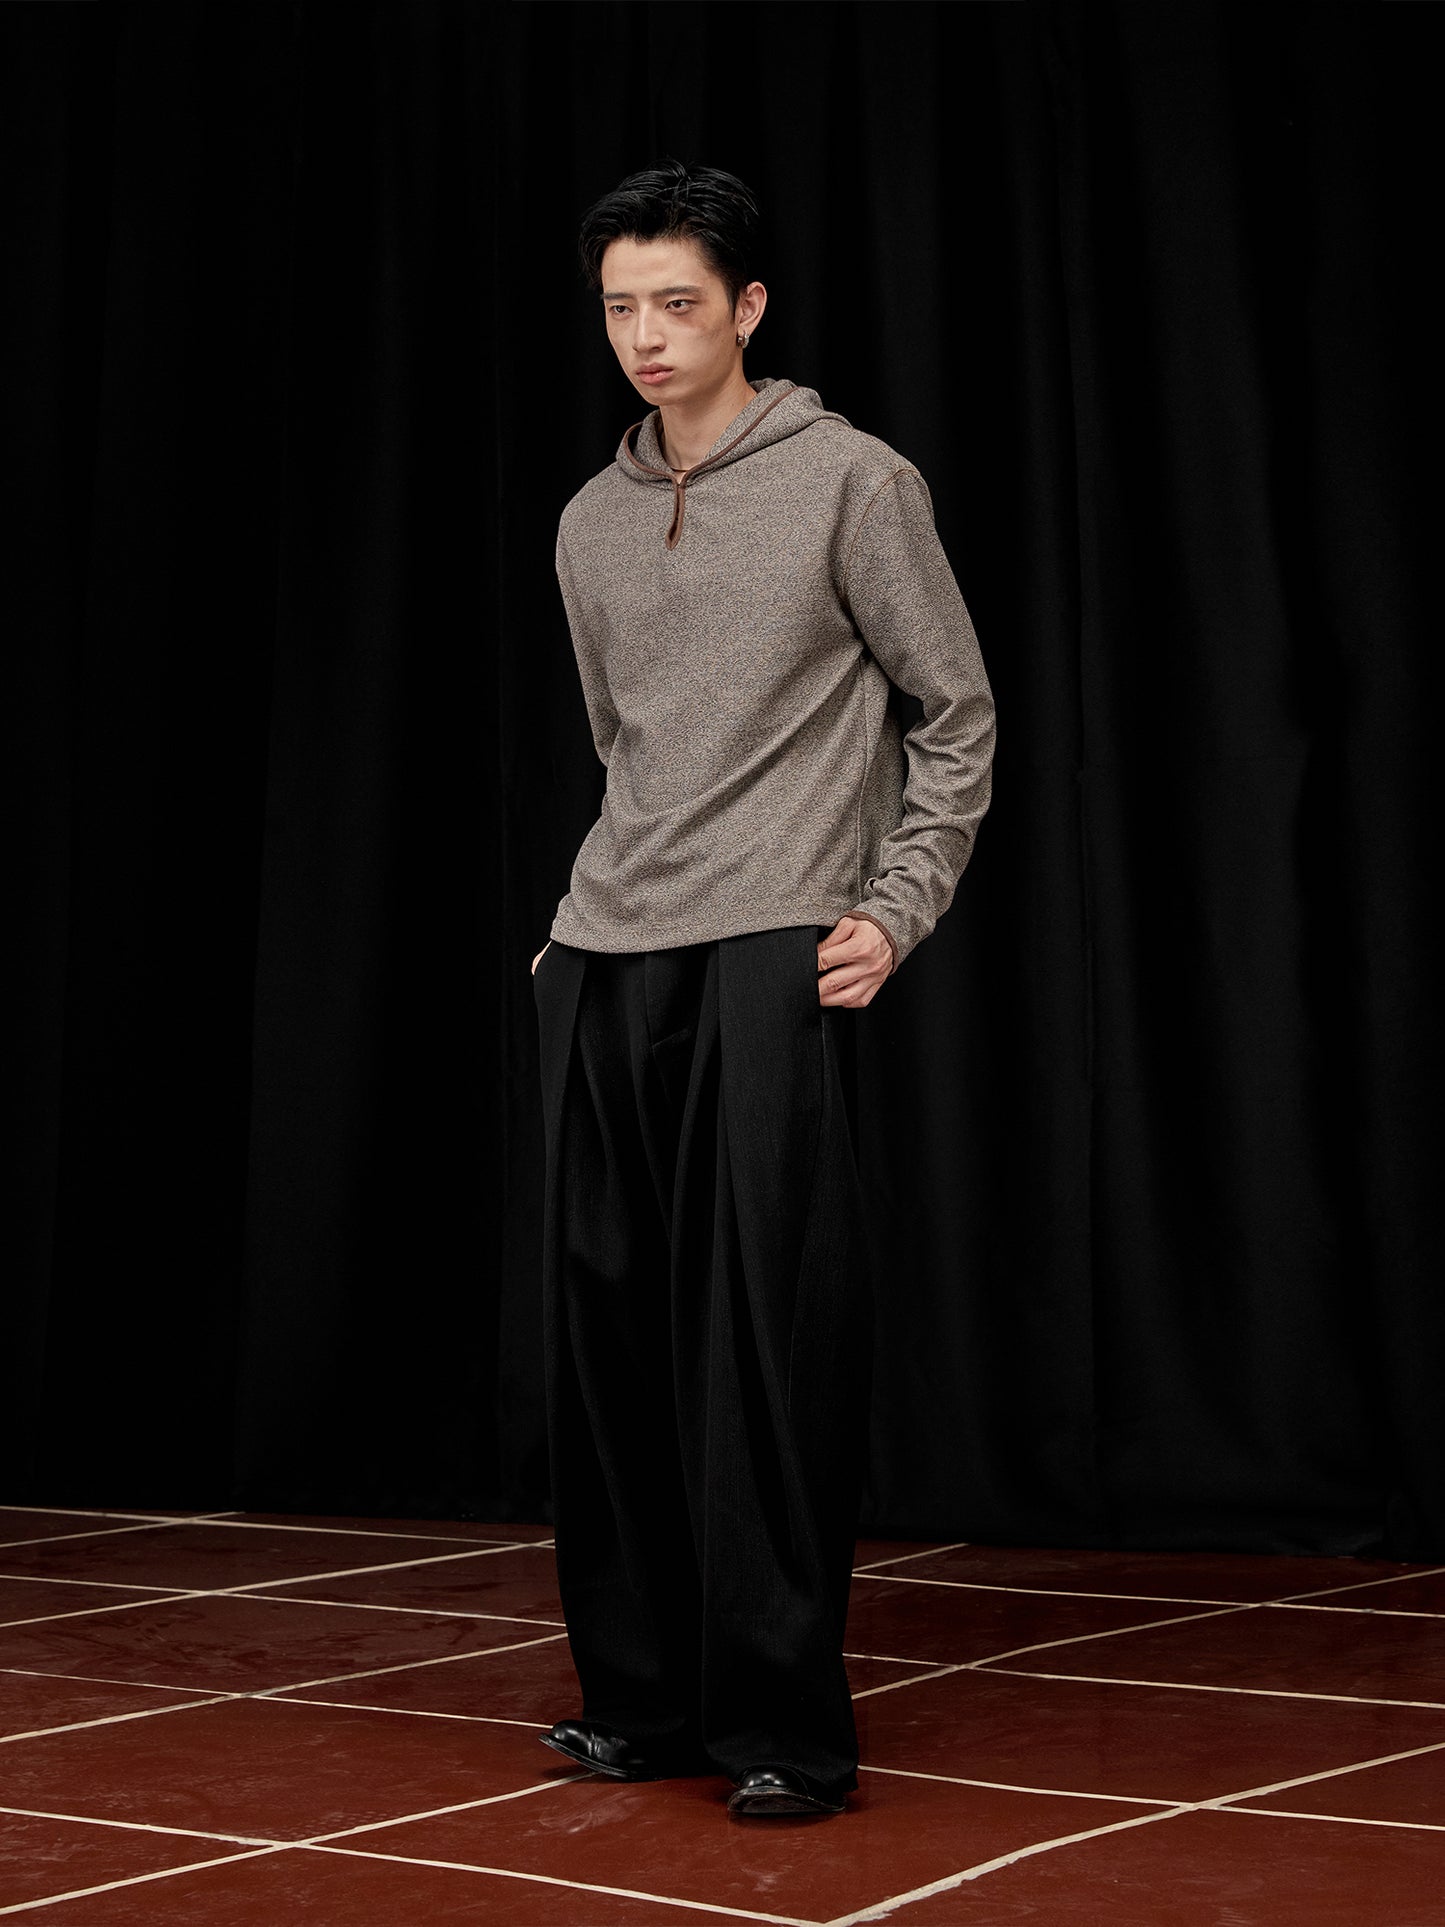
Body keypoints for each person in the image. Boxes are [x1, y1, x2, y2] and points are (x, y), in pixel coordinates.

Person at [530, 158, 994, 1819]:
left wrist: (897, 905)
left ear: (747, 307)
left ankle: (781, 1727)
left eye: (676, 303)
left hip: (768, 954)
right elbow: (621, 743)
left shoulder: (853, 482)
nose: (645, 337)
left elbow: (955, 712)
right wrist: (569, 930)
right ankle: (641, 1699)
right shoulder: (587, 519)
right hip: (602, 959)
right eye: (618, 308)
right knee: (608, 1348)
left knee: (760, 1348)